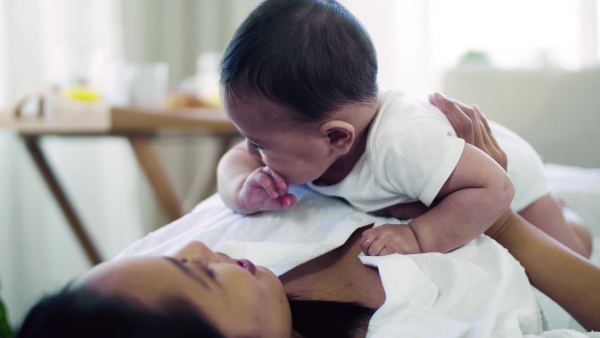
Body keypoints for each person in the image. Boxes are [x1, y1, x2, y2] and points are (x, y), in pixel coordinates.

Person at [17, 95, 600, 337]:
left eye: (173, 255)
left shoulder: (204, 255)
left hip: (462, 167)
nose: (196, 250)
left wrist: (239, 187)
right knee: (569, 227)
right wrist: (498, 220)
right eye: (196, 276)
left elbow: (239, 165)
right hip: (517, 228)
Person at [217, 0, 592, 257]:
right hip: (454, 164)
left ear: (335, 137)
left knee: (572, 251)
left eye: (258, 144)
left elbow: (496, 186)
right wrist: (240, 191)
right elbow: (234, 162)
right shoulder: (311, 137)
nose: (250, 152)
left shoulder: (402, 145)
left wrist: (418, 235)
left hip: (506, 170)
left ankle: (565, 209)